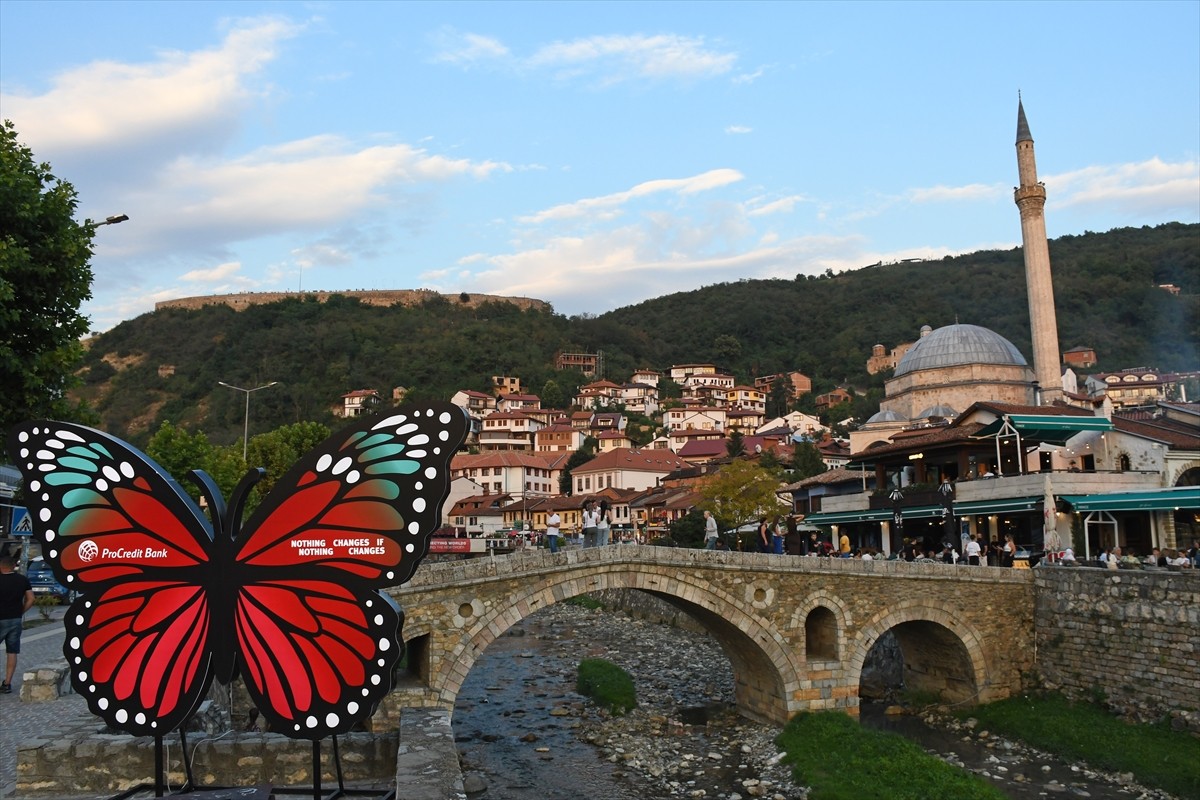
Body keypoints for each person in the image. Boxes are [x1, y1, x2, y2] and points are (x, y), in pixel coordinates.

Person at [0, 555, 35, 694]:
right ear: (13, 566)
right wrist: (21, 611)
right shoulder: (22, 580)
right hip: (15, 619)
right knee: (12, 651)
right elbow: (31, 599)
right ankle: (7, 683)